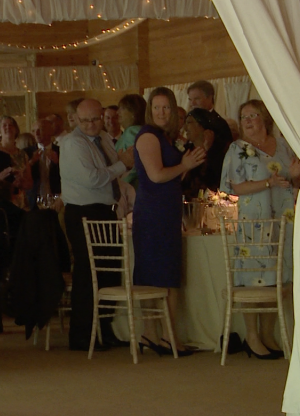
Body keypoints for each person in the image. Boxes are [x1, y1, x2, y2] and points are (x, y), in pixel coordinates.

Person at [220, 99, 300, 359]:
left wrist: (296, 174)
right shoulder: (236, 149)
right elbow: (233, 187)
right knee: (253, 277)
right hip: (254, 222)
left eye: (253, 115)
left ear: (264, 118)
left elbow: (295, 179)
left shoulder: (282, 144)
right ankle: (252, 336)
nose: (247, 120)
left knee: (277, 278)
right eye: (243, 116)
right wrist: (267, 182)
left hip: (283, 217)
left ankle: (268, 334)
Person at [132, 87, 206, 356]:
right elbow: (156, 176)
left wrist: (190, 162)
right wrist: (185, 166)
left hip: (167, 210)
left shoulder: (166, 136)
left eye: (166, 108)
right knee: (161, 276)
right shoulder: (148, 136)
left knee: (165, 275)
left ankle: (156, 335)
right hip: (154, 213)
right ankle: (165, 337)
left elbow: (174, 177)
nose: (162, 112)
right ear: (149, 110)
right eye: (157, 107)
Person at [59, 98, 134, 351]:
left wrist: (120, 164)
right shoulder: (72, 143)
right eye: (85, 121)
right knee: (88, 274)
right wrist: (123, 163)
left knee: (110, 272)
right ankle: (81, 335)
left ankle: (105, 330)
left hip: (106, 210)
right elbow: (93, 178)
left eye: (95, 119)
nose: (91, 125)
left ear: (102, 117)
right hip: (83, 212)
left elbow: (113, 171)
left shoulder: (103, 138)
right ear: (76, 120)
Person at [182, 107, 233, 197]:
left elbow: (215, 179)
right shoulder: (185, 151)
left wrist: (208, 151)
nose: (185, 128)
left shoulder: (219, 151)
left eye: (189, 122)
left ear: (202, 125)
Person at [114, 94, 147, 186]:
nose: (118, 112)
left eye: (122, 108)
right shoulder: (139, 130)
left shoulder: (132, 132)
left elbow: (135, 162)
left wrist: (120, 183)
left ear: (134, 112)